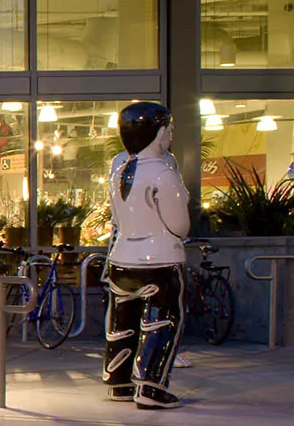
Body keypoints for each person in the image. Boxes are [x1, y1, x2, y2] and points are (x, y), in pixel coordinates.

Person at [102, 101, 190, 410]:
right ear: (161, 131)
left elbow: (115, 217)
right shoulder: (164, 174)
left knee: (122, 323)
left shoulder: (119, 170)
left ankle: (118, 381)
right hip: (159, 260)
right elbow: (179, 224)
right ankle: (150, 387)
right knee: (161, 322)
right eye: (169, 130)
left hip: (122, 257)